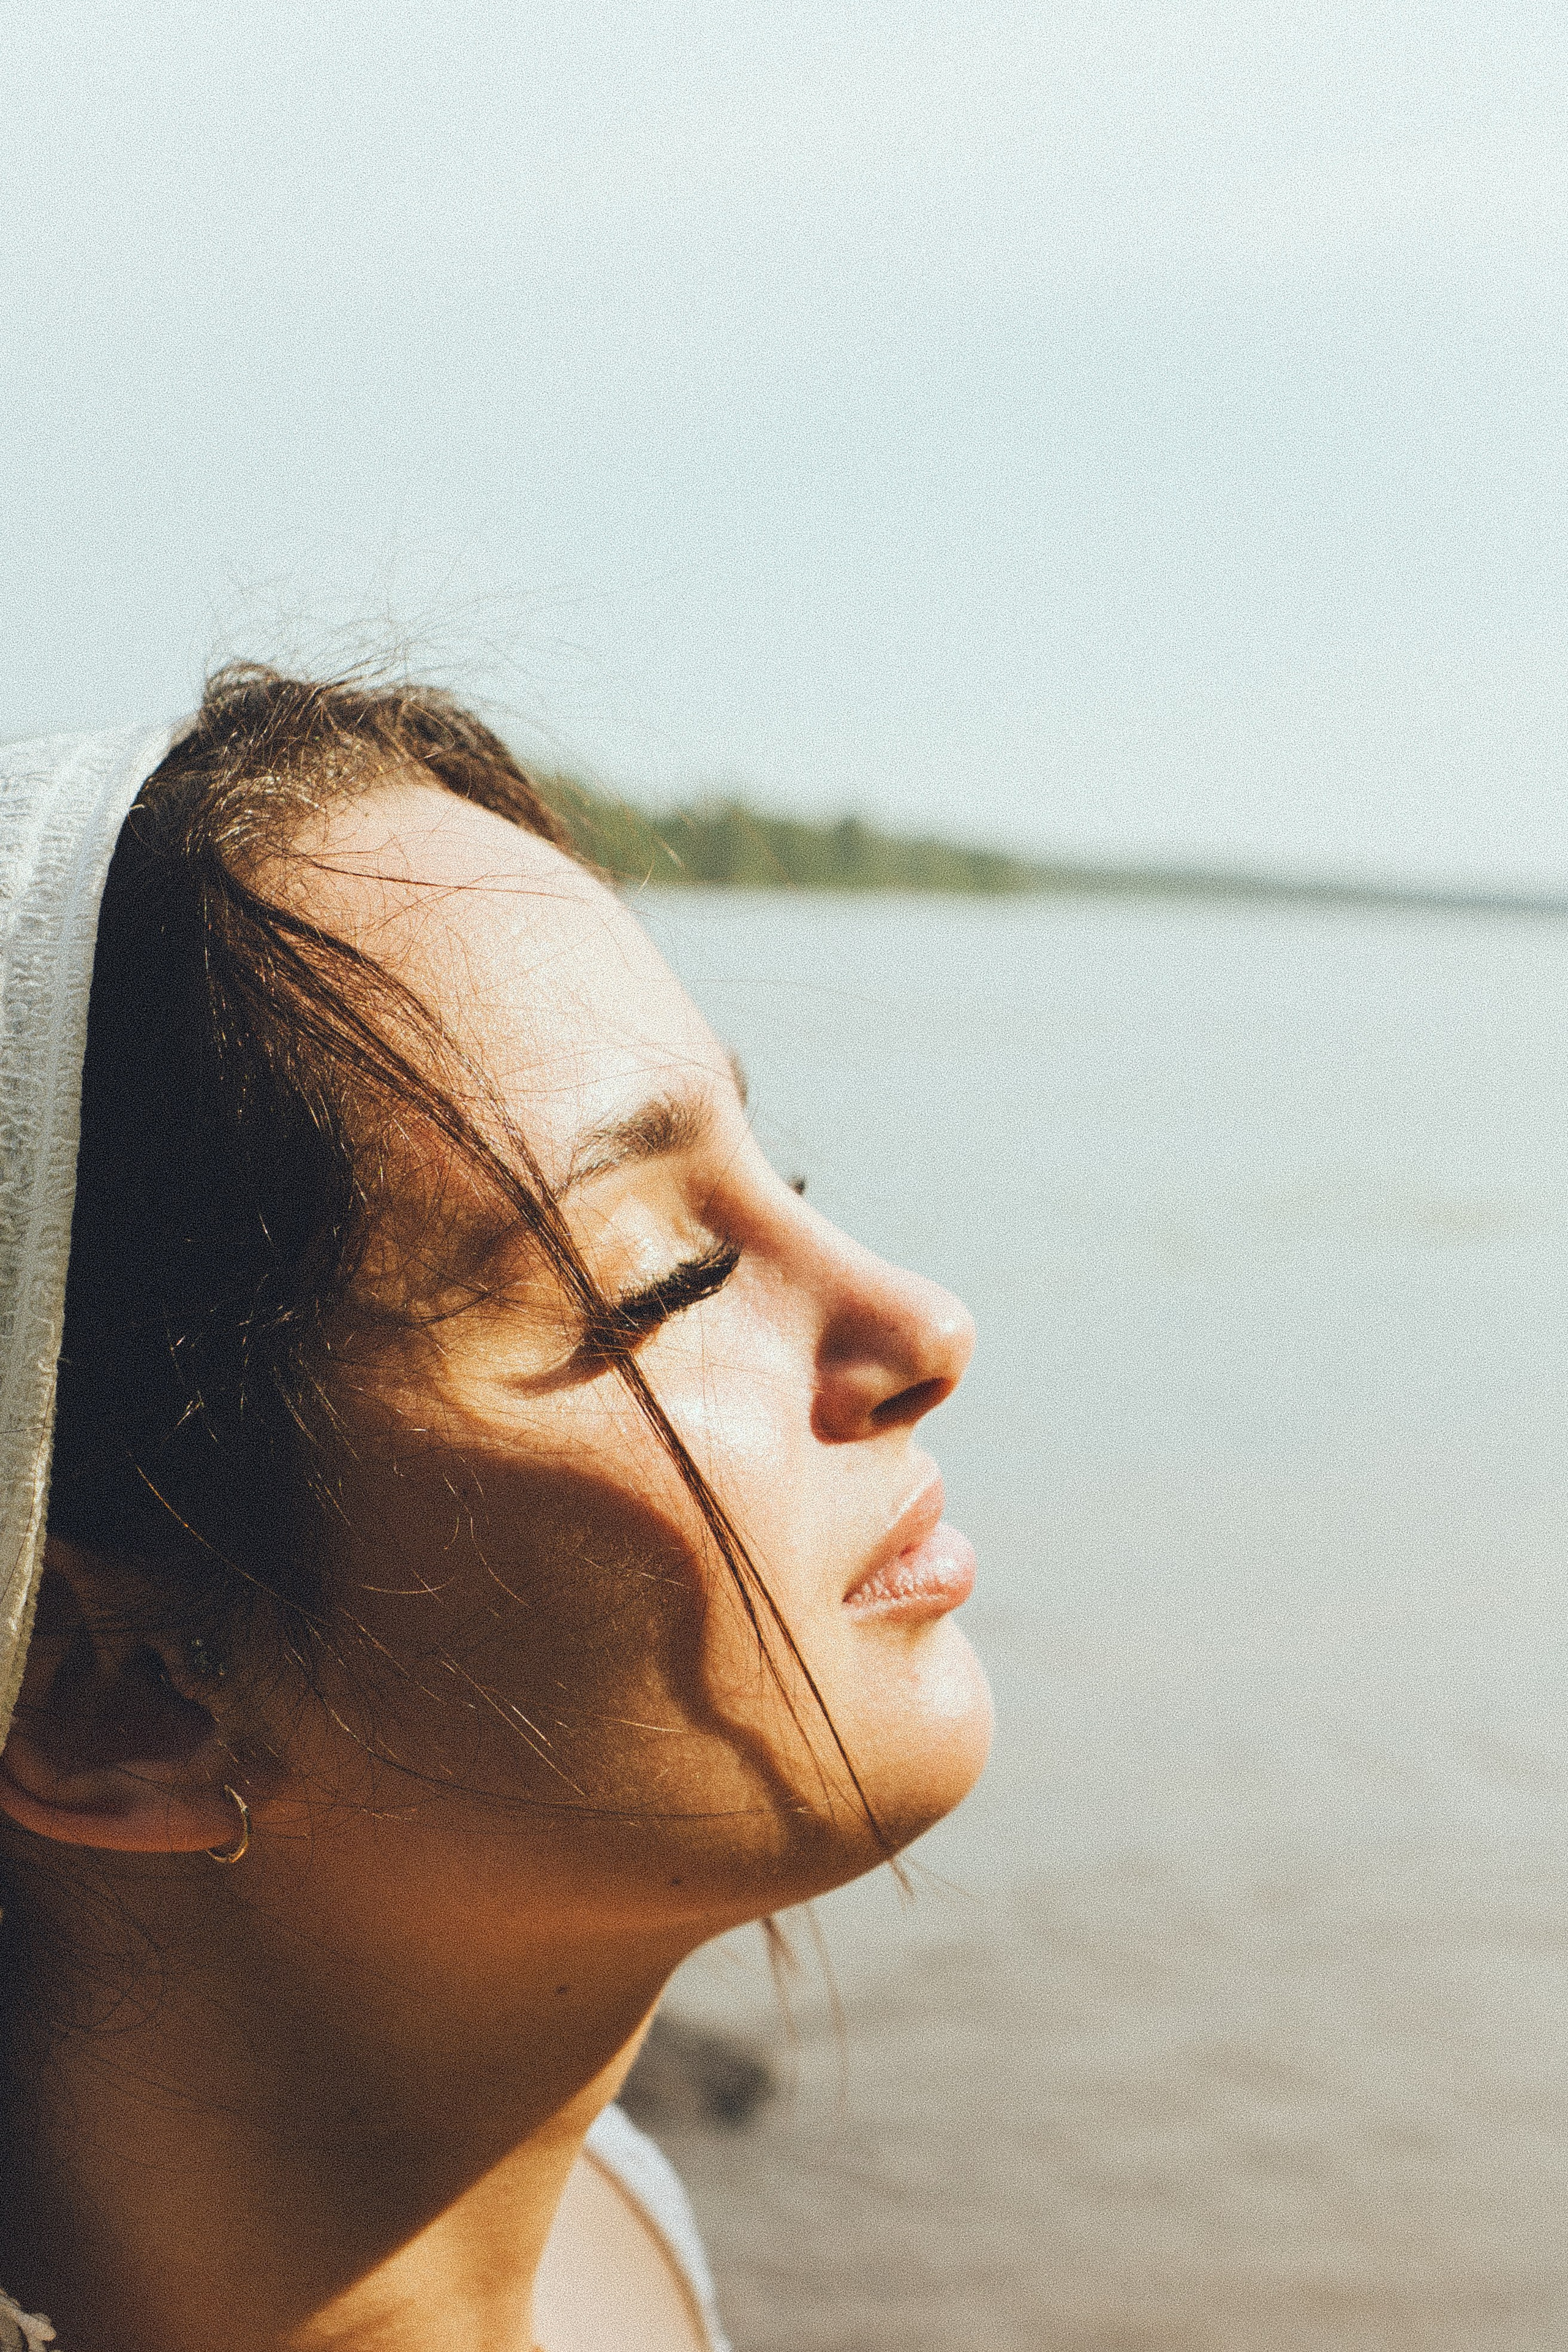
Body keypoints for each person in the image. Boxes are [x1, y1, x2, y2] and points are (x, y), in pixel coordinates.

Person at [0, 669, 992, 2352]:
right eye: (661, 1285)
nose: (925, 1325)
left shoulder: (623, 2229)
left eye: (787, 1181)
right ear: (122, 1689)